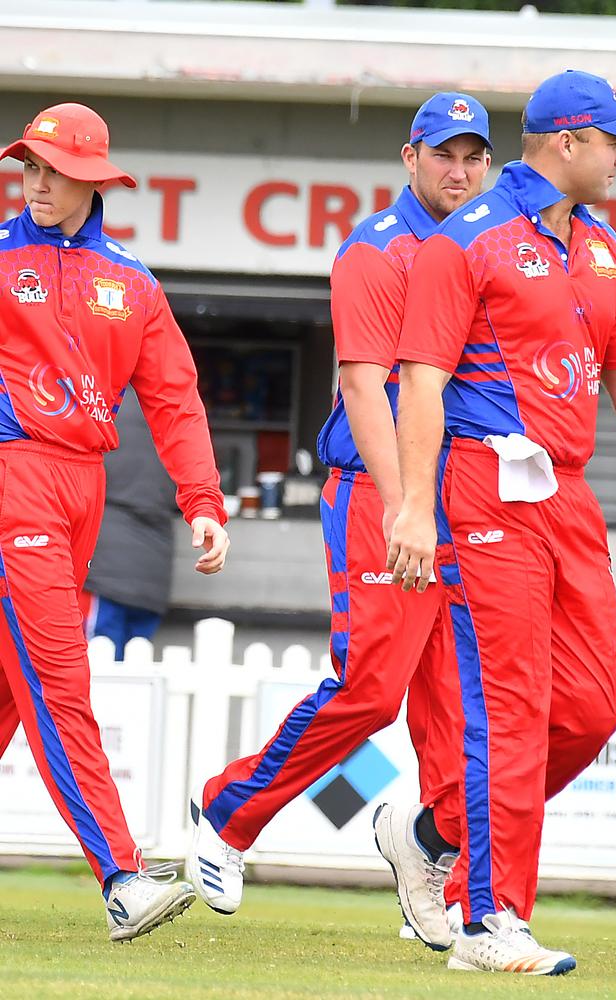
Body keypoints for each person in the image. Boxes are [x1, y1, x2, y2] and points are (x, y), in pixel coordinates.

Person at [185, 93, 492, 950]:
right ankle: (227, 812)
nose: (459, 173)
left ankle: (436, 861)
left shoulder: (486, 249)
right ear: (409, 158)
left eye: (474, 158)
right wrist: (407, 507)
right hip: (379, 494)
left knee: (463, 710)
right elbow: (363, 386)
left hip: (459, 500)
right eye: (444, 156)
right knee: (372, 689)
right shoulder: (376, 249)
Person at [387, 70, 616, 975]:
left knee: (590, 706)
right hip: (484, 487)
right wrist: (414, 508)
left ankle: (432, 831)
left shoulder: (606, 249)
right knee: (512, 707)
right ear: (566, 141)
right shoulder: (467, 241)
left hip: (567, 496)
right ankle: (488, 921)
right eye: (613, 140)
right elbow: (418, 375)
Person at [0, 103, 230, 941]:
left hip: (81, 491)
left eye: (52, 170)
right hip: (14, 476)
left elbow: (175, 400)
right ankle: (122, 875)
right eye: (28, 167)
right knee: (60, 685)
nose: (35, 182)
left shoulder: (131, 281)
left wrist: (203, 501)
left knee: (9, 695)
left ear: (93, 180)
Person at [81, 386, 178, 659]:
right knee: (134, 676)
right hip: (154, 572)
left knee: (90, 670)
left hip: (103, 569)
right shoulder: (170, 403)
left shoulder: (95, 399)